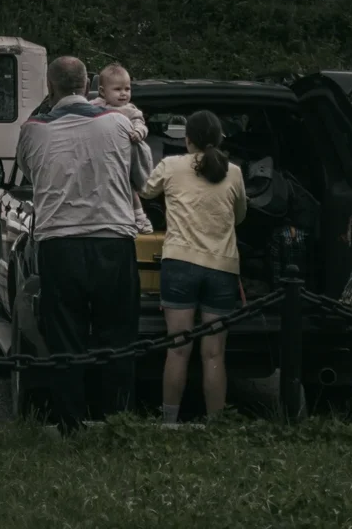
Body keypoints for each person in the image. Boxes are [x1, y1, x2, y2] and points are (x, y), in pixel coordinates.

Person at [16, 56, 154, 434]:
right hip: (111, 238)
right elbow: (143, 178)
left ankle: (70, 422)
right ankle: (115, 418)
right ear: (90, 85)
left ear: (50, 87)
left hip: (59, 241)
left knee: (64, 334)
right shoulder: (119, 123)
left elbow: (30, 172)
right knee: (118, 331)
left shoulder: (33, 130)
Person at [139, 110, 247, 425]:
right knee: (213, 354)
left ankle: (169, 423)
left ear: (186, 140)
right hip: (222, 269)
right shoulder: (235, 173)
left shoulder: (171, 166)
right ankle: (215, 423)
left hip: (180, 266)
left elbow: (144, 190)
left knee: (178, 349)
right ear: (219, 139)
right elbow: (240, 217)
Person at [89, 63, 155, 234]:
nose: (124, 93)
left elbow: (141, 124)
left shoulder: (130, 110)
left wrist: (138, 133)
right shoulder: (94, 107)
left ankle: (140, 218)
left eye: (127, 88)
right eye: (118, 89)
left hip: (123, 162)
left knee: (129, 188)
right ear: (103, 92)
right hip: (101, 161)